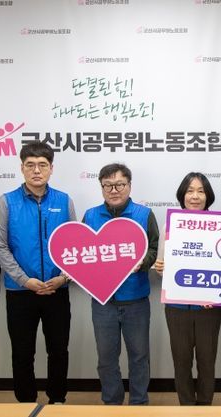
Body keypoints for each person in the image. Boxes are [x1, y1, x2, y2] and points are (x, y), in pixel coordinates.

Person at [0, 142, 76, 404]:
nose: (36, 170)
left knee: (58, 350)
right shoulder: (6, 202)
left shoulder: (64, 201)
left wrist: (63, 277)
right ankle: (26, 402)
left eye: (42, 165)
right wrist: (24, 280)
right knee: (22, 352)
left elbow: (75, 244)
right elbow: (0, 246)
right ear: (22, 168)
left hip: (56, 290)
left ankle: (57, 399)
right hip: (20, 291)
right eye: (30, 165)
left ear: (51, 168)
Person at [83, 163, 159, 405]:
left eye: (119, 185)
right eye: (108, 185)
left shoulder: (144, 214)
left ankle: (139, 403)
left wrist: (142, 262)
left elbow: (154, 248)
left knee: (139, 356)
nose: (114, 190)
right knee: (106, 358)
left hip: (136, 299)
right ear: (102, 187)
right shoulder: (90, 215)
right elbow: (82, 251)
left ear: (129, 186)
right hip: (103, 301)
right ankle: (112, 403)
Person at [154, 172, 221, 405]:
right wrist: (161, 267)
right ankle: (186, 407)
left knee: (207, 362)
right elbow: (162, 268)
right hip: (177, 307)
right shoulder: (171, 224)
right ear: (182, 195)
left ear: (208, 196)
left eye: (200, 191)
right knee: (181, 362)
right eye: (190, 191)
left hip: (209, 308)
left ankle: (204, 407)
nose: (195, 196)